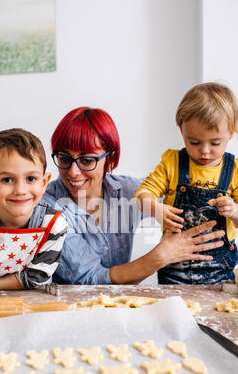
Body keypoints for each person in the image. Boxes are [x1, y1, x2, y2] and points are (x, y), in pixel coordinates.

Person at [42, 106, 226, 285]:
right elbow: (91, 278)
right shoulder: (47, 208)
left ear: (111, 159)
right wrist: (160, 257)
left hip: (121, 306)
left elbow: (183, 195)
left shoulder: (129, 191)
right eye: (64, 158)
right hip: (71, 309)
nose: (73, 172)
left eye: (87, 160)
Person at [136, 82, 238, 284]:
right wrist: (156, 208)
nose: (204, 151)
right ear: (181, 128)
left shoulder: (237, 169)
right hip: (174, 269)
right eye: (194, 142)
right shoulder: (172, 163)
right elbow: (143, 195)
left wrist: (235, 210)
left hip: (219, 272)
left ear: (231, 133)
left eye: (215, 143)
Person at [0, 128, 67, 290]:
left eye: (31, 178)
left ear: (44, 183)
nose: (20, 190)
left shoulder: (52, 226)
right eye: (7, 179)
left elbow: (35, 278)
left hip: (27, 304)